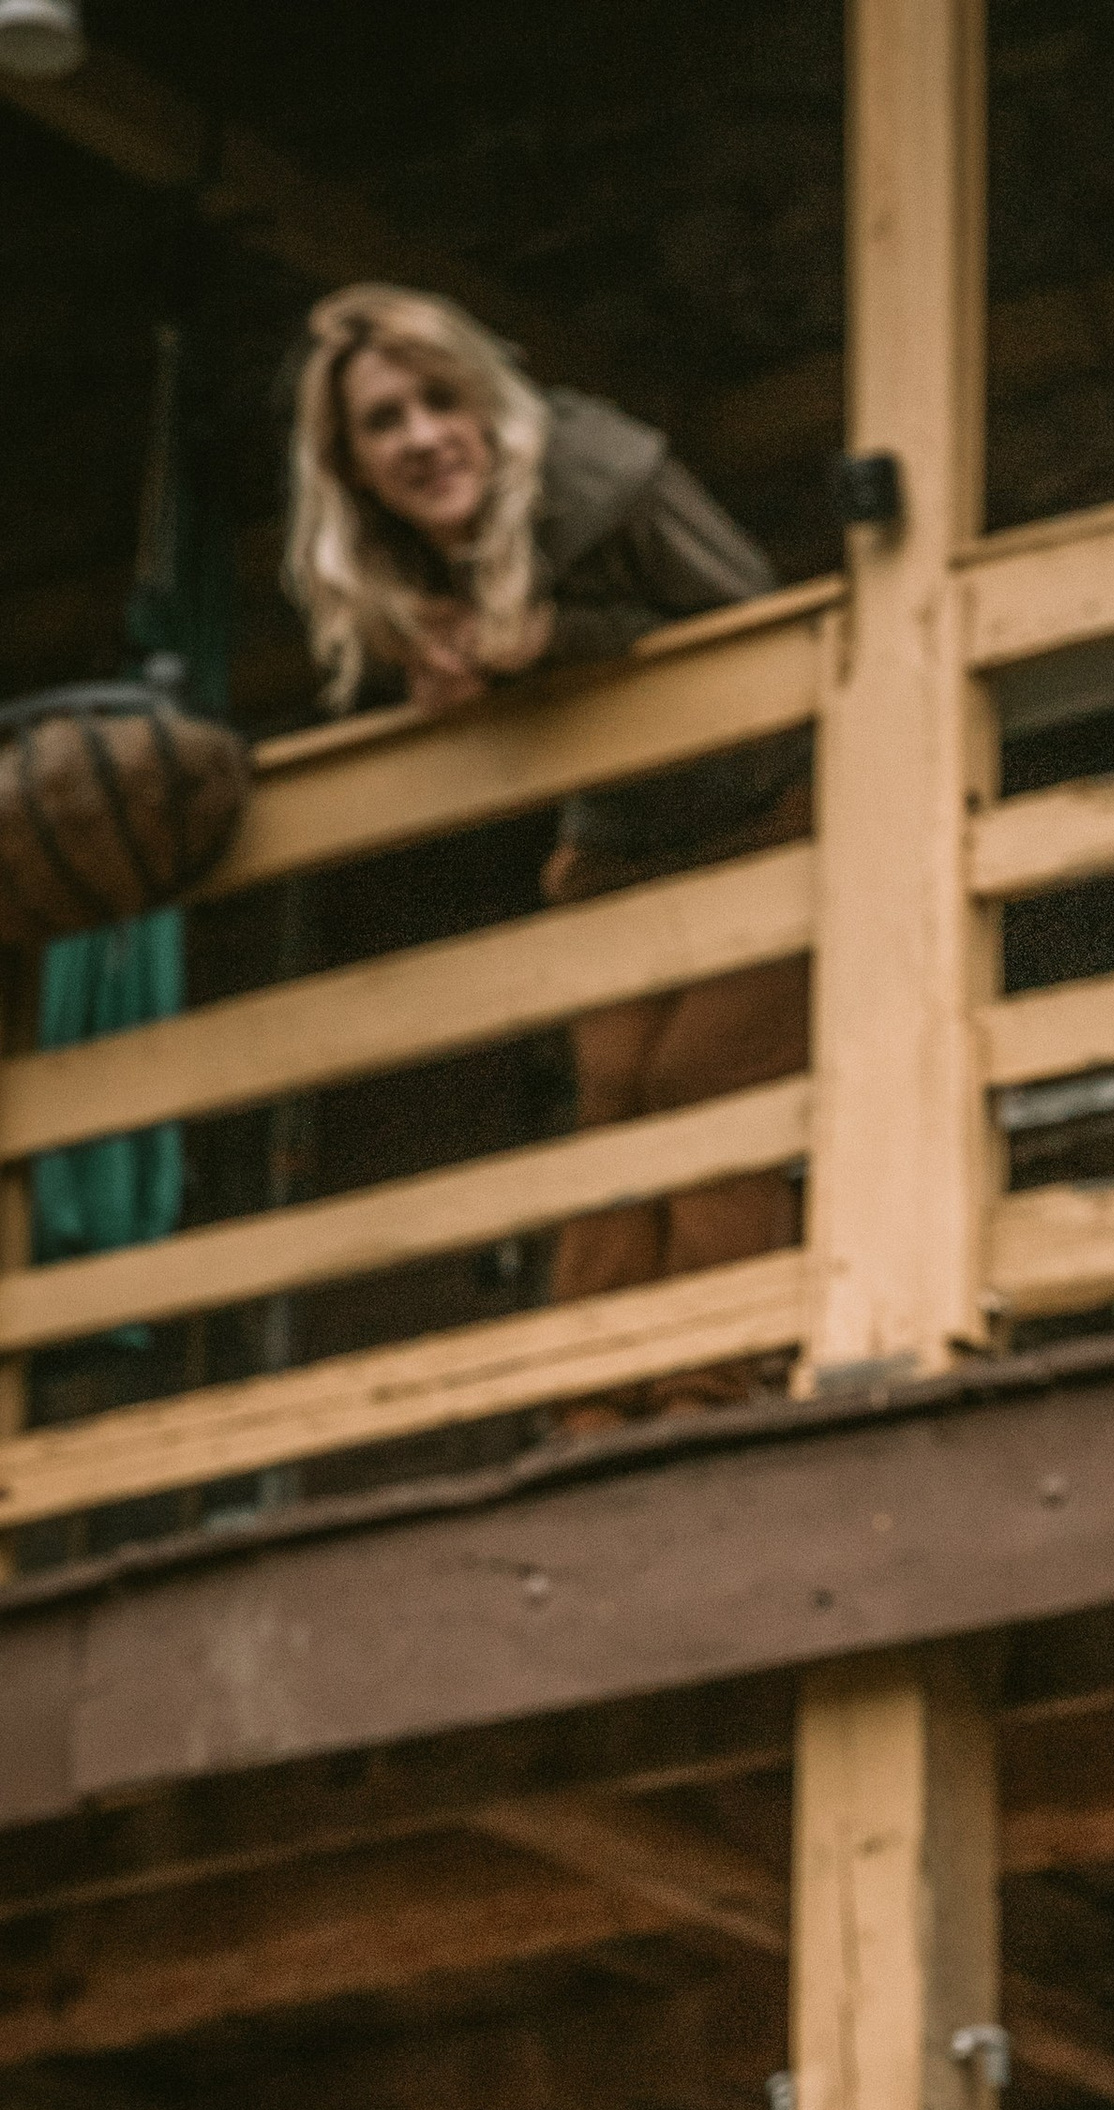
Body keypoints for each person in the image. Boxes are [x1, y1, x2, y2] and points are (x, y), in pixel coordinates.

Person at [281, 284, 808, 1417]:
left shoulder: (607, 481)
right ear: (354, 465)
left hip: (765, 804)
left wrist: (553, 643)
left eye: (439, 400)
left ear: (486, 401)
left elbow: (757, 629)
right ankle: (593, 1400)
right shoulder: (393, 572)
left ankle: (715, 1384)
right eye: (383, 422)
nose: (422, 438)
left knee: (700, 1078)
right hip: (618, 840)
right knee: (612, 1094)